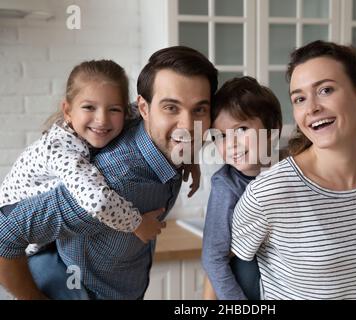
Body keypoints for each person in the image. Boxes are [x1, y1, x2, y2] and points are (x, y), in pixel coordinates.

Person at [0, 46, 218, 300]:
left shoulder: (147, 131)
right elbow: (5, 236)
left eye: (199, 110)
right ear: (144, 108)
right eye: (171, 108)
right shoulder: (116, 180)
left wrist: (188, 157)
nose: (188, 126)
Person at [230, 40, 356, 300]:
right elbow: (223, 269)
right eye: (299, 98)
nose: (311, 108)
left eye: (325, 90)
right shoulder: (270, 192)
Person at [0, 60, 176, 252]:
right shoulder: (61, 148)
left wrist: (187, 156)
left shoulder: (125, 115)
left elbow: (147, 110)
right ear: (68, 111)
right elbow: (97, 201)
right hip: (14, 228)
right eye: (89, 107)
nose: (102, 119)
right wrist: (137, 224)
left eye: (114, 109)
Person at [202, 76, 282, 300]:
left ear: (272, 129)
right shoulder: (226, 187)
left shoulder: (289, 168)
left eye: (241, 130)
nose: (231, 144)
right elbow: (213, 257)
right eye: (220, 136)